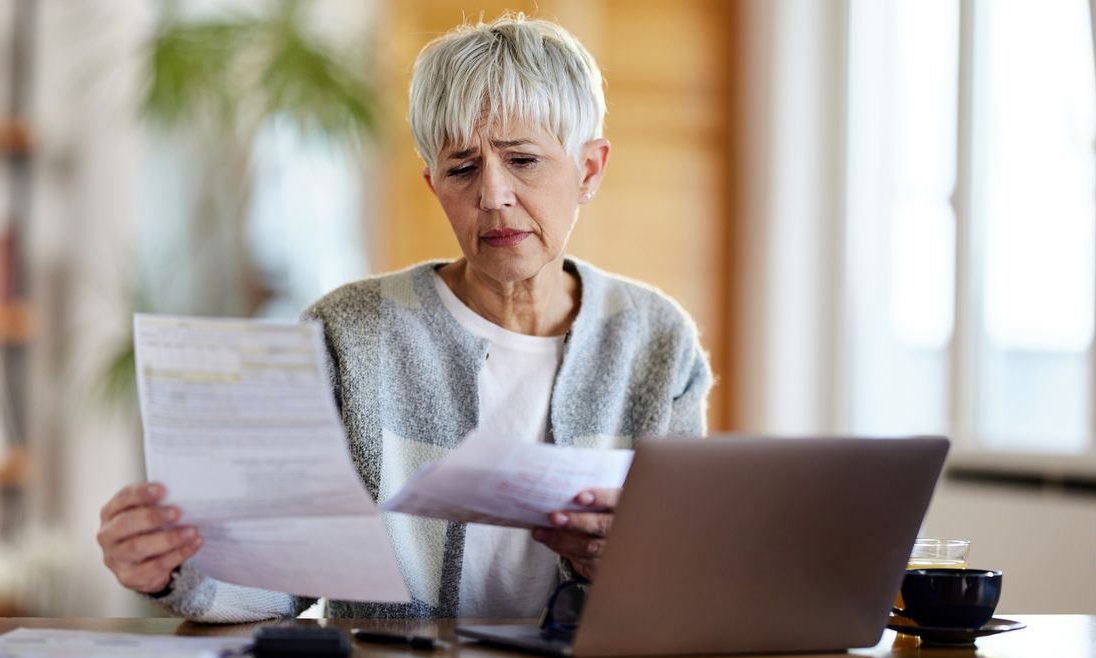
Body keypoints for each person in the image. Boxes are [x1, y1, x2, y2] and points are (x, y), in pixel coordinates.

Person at [97, 13, 712, 623]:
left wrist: (622, 567)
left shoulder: (656, 341)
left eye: (522, 160)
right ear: (433, 183)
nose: (492, 195)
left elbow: (685, 580)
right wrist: (175, 570)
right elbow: (280, 578)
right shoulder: (349, 332)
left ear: (590, 170)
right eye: (462, 168)